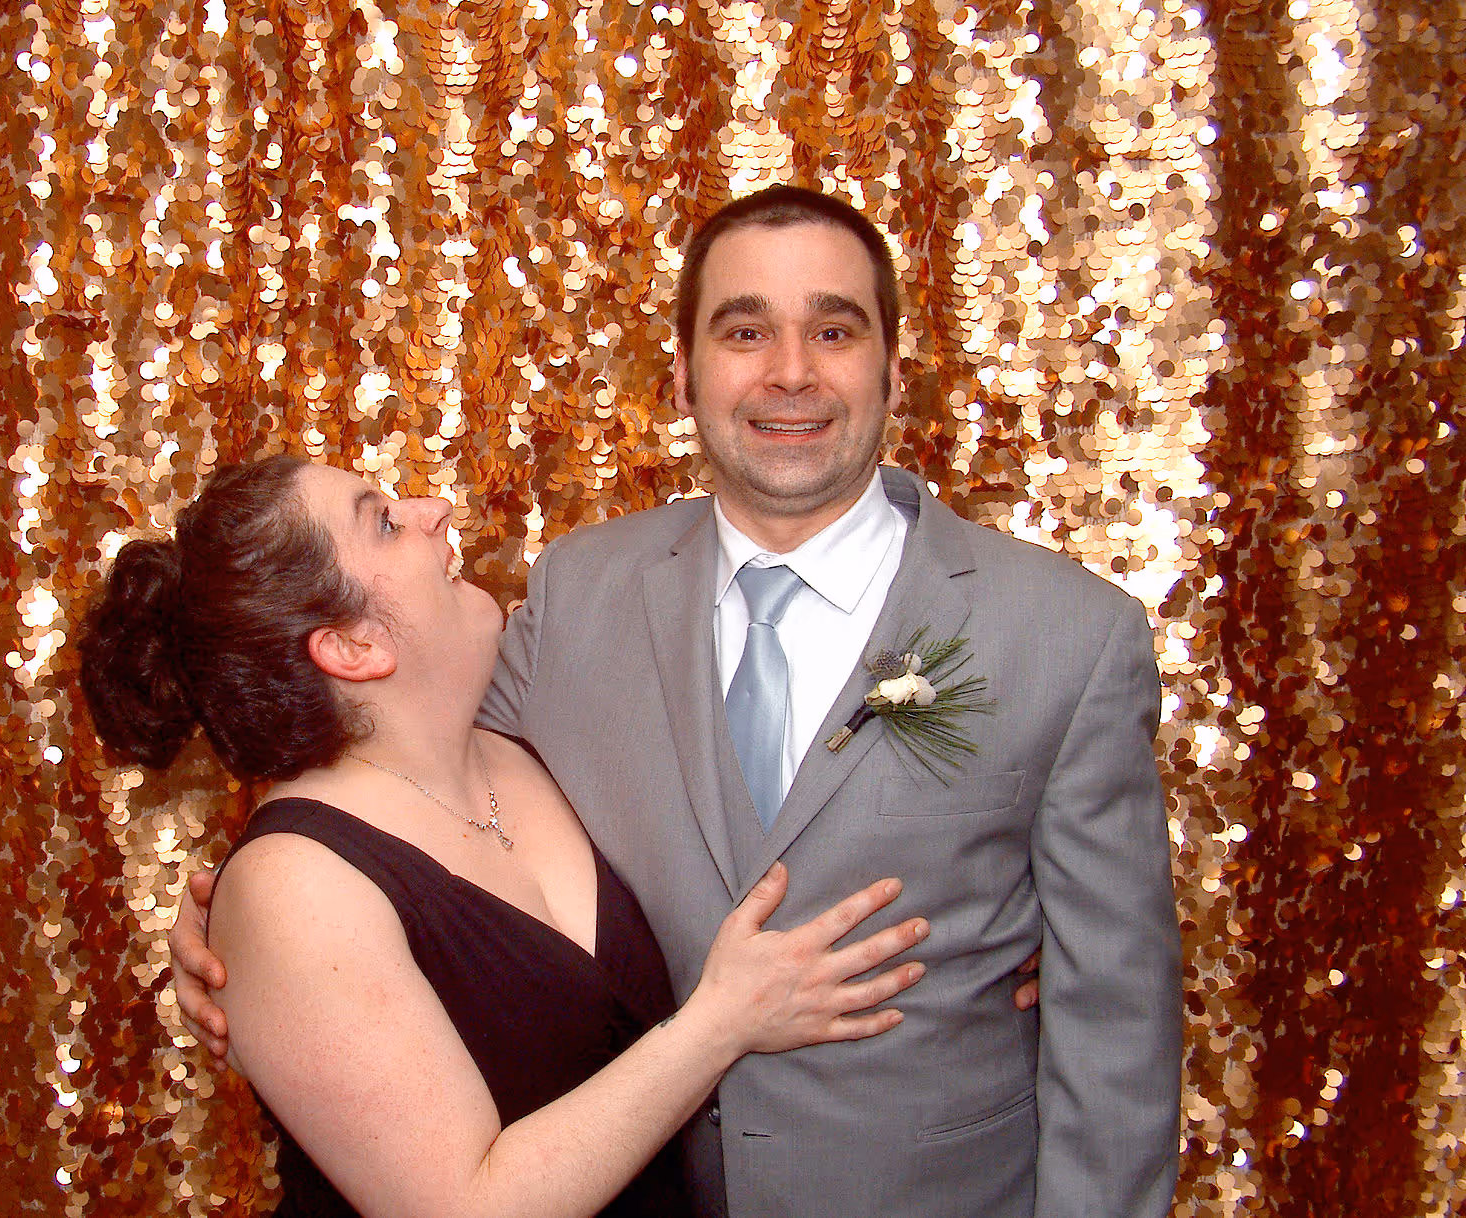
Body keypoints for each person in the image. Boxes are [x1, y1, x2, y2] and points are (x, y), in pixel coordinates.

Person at [170, 186, 1183, 1217]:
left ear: (893, 368)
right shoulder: (577, 595)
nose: (792, 371)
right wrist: (234, 922)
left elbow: (1118, 1035)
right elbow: (392, 781)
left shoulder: (1069, 636)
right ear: (684, 377)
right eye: (744, 331)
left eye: (835, 330)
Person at [80, 454, 938, 1217]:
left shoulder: (522, 737)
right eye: (384, 522)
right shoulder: (293, 886)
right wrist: (723, 1022)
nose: (433, 510)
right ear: (352, 645)